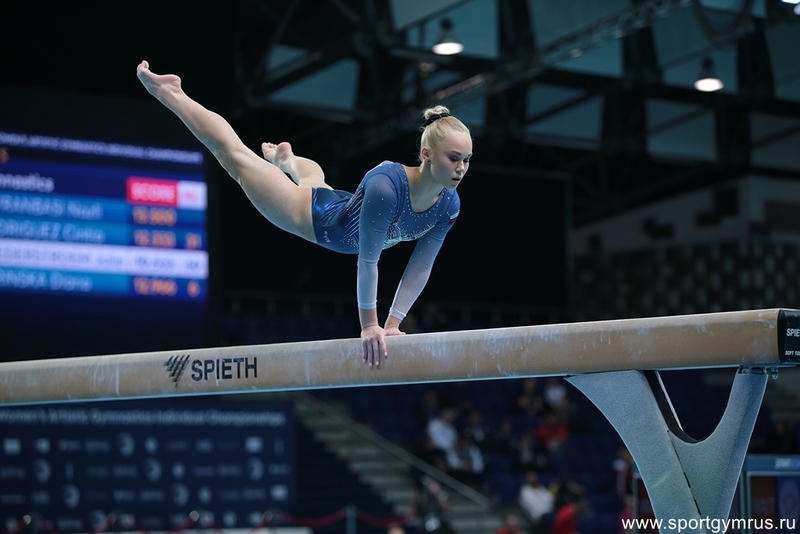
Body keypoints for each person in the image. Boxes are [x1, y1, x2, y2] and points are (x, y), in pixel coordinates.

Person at [136, 61, 471, 366]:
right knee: (236, 158)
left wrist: (393, 324)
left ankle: (286, 161)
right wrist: (371, 325)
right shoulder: (388, 187)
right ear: (426, 153)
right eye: (453, 158)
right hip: (314, 218)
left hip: (341, 209)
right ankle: (172, 93)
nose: (461, 168)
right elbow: (369, 261)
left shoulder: (448, 205)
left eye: (467, 159)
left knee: (315, 183)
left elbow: (421, 266)